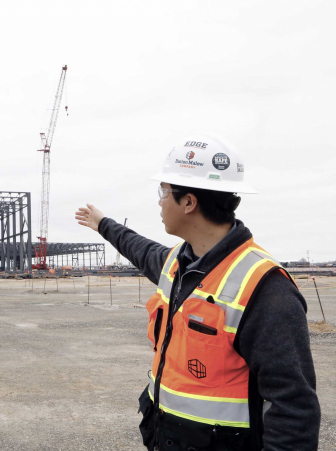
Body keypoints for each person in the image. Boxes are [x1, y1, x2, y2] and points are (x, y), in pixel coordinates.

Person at [75, 135, 320, 450]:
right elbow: (138, 247)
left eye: (163, 192)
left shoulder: (265, 288)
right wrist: (102, 224)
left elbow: (294, 409)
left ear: (188, 202)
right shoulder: (178, 262)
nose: (160, 200)